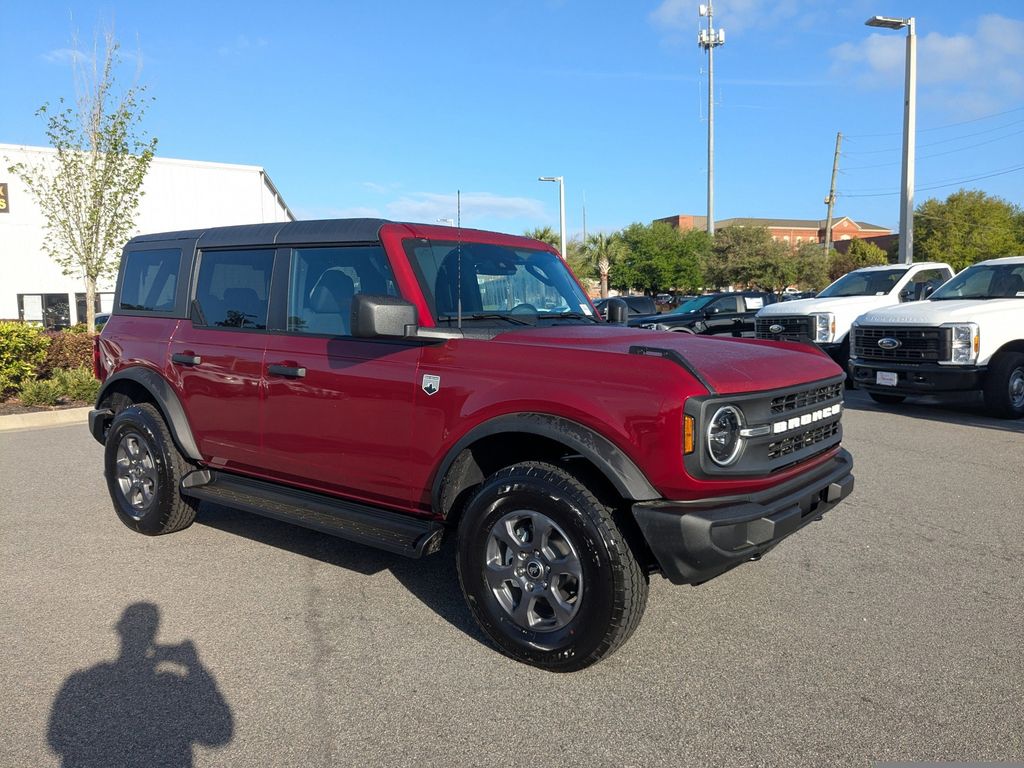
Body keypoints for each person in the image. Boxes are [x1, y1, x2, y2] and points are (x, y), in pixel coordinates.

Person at [48, 602, 233, 768]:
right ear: (154, 635)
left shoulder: (87, 682)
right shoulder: (172, 688)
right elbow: (218, 733)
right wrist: (195, 667)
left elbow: (57, 740)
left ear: (120, 629)